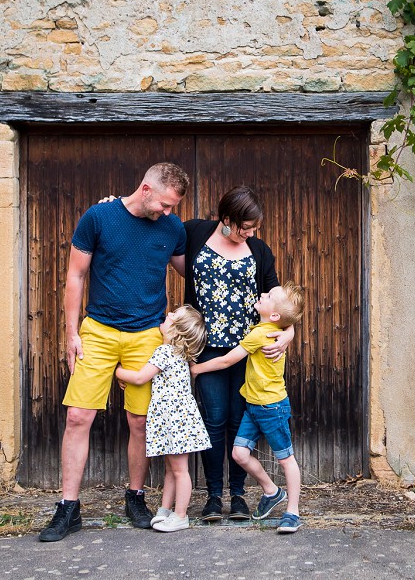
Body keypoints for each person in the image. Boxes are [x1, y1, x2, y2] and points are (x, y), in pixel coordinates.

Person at [38, 162, 190, 543]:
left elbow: (192, 271)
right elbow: (75, 275)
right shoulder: (99, 216)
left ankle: (135, 496)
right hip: (99, 331)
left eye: (174, 208)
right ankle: (68, 508)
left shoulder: (171, 228)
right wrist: (71, 332)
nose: (169, 214)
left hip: (147, 336)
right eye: (166, 204)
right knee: (77, 417)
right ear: (145, 189)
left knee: (139, 422)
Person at [183, 185, 294, 522]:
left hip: (248, 353)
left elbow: (281, 300)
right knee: (214, 421)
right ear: (227, 219)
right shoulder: (194, 233)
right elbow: (154, 224)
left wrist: (288, 332)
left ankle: (239, 495)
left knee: (238, 421)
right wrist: (114, 204)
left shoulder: (259, 251)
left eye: (254, 228)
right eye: (245, 227)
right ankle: (214, 497)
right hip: (208, 350)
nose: (249, 233)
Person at [191, 283, 306, 534]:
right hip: (253, 406)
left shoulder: (260, 334)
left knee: (286, 459)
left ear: (274, 315)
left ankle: (293, 512)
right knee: (239, 454)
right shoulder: (269, 330)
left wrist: (196, 368)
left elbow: (228, 360)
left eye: (268, 296)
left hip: (271, 406)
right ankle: (272, 491)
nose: (262, 294)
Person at [114, 305, 211, 533]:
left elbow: (139, 377)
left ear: (175, 331)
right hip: (177, 420)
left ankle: (181, 515)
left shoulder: (164, 352)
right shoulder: (181, 356)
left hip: (173, 421)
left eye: (172, 317)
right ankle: (165, 510)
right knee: (172, 469)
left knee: (179, 471)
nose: (167, 315)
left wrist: (116, 370)